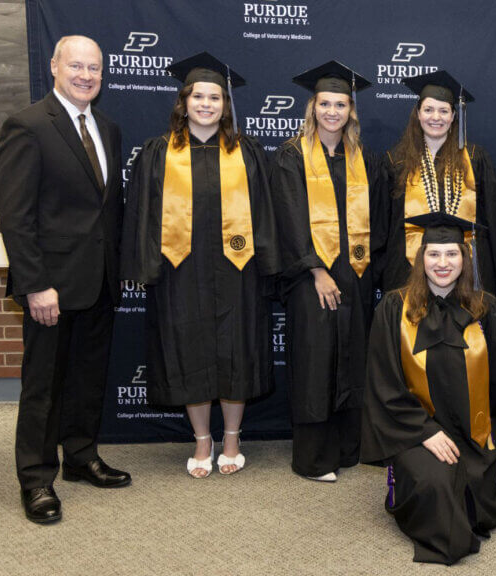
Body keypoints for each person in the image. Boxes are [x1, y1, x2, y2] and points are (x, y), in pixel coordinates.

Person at [121, 52, 279, 479]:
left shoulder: (246, 152)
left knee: (236, 353)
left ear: (226, 105)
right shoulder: (158, 153)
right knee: (189, 352)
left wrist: (267, 264)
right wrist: (146, 266)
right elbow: (141, 215)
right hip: (180, 272)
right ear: (183, 102)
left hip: (238, 271)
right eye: (198, 96)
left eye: (215, 97)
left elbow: (265, 213)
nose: (206, 104)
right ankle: (201, 440)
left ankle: (231, 437)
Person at [0, 35, 130, 524]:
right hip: (51, 285)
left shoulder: (108, 129)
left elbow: (105, 212)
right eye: (76, 66)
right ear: (54, 66)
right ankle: (35, 479)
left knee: (87, 380)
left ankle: (80, 457)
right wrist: (35, 283)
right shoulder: (28, 126)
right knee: (43, 387)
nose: (86, 76)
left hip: (99, 282)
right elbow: (16, 216)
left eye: (94, 68)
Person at [362, 213, 496, 565]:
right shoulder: (394, 309)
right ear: (420, 258)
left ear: (465, 258)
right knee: (440, 488)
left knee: (476, 500)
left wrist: (484, 432)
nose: (442, 263)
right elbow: (383, 382)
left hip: (471, 432)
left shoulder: (486, 309)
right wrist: (425, 431)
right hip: (414, 432)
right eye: (434, 255)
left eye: (452, 254)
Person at [271, 61, 388, 482]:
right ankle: (313, 458)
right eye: (325, 103)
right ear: (312, 107)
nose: (333, 111)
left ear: (350, 111)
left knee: (351, 357)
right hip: (311, 278)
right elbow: (288, 217)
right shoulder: (291, 157)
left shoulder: (365, 160)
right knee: (316, 360)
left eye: (341, 104)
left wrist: (362, 271)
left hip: (355, 274)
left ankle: (346, 448)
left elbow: (379, 221)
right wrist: (316, 270)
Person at [382, 71, 496, 293]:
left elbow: (490, 218)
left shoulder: (475, 158)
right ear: (417, 113)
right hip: (407, 268)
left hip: (465, 270)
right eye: (428, 109)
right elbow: (385, 225)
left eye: (444, 111)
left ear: (454, 116)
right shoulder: (396, 161)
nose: (436, 117)